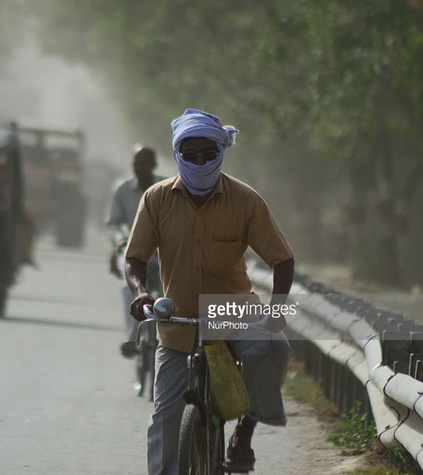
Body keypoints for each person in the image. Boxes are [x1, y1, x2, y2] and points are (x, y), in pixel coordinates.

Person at [124, 109, 295, 474]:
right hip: (178, 322)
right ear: (177, 155)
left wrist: (277, 310)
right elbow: (134, 258)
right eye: (190, 155)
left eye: (208, 154)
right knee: (166, 422)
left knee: (275, 351)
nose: (199, 161)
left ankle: (243, 434)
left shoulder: (246, 201)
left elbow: (282, 259)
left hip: (232, 314)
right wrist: (140, 292)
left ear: (221, 152)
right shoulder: (156, 199)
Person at [106, 146, 166, 358]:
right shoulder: (122, 189)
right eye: (136, 163)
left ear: (153, 165)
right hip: (133, 254)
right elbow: (113, 222)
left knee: (170, 294)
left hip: (163, 256)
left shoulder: (166, 188)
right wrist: (120, 240)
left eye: (144, 163)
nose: (140, 168)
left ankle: (172, 339)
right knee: (129, 290)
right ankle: (131, 337)